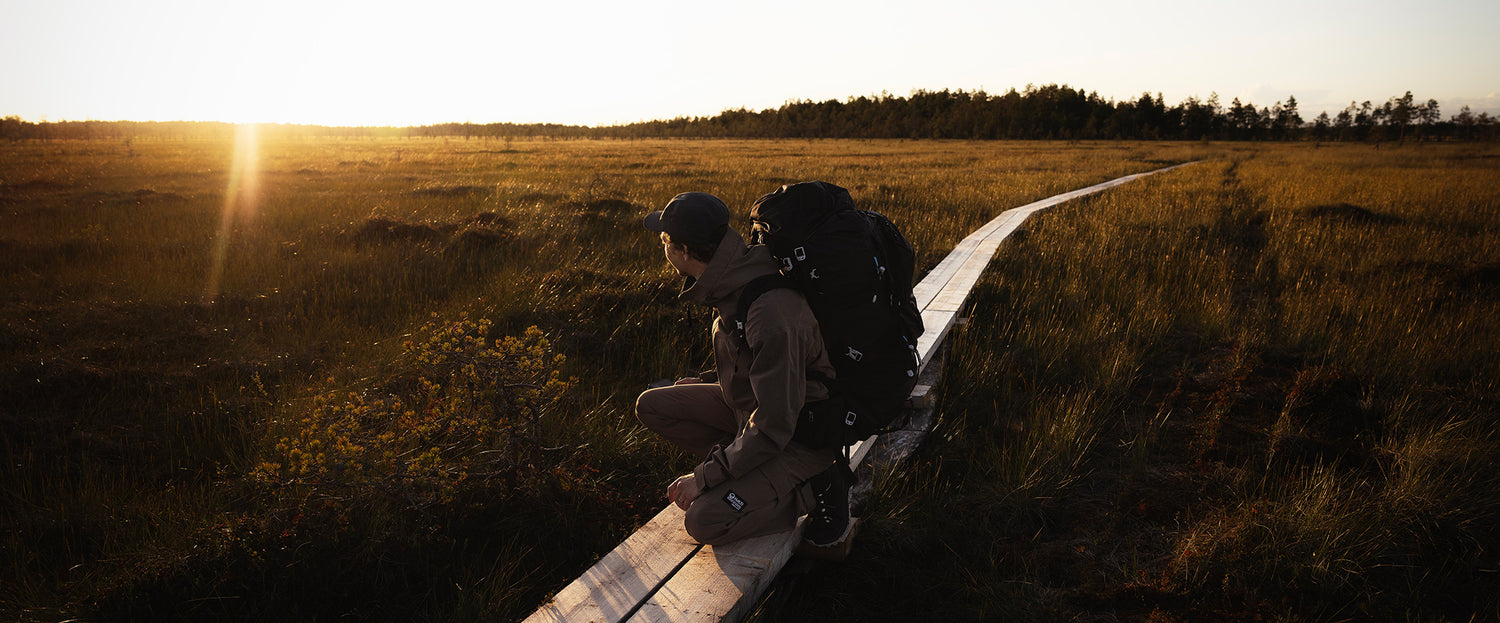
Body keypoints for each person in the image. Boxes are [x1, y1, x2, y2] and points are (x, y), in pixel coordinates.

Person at [636, 191, 857, 557]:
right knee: (654, 405)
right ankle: (741, 466)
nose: (663, 248)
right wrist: (709, 377)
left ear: (685, 252)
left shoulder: (770, 313)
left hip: (798, 435)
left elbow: (775, 425)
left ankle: (815, 488)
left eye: (665, 241)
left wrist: (704, 478)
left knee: (703, 520)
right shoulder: (730, 279)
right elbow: (754, 362)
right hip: (756, 410)